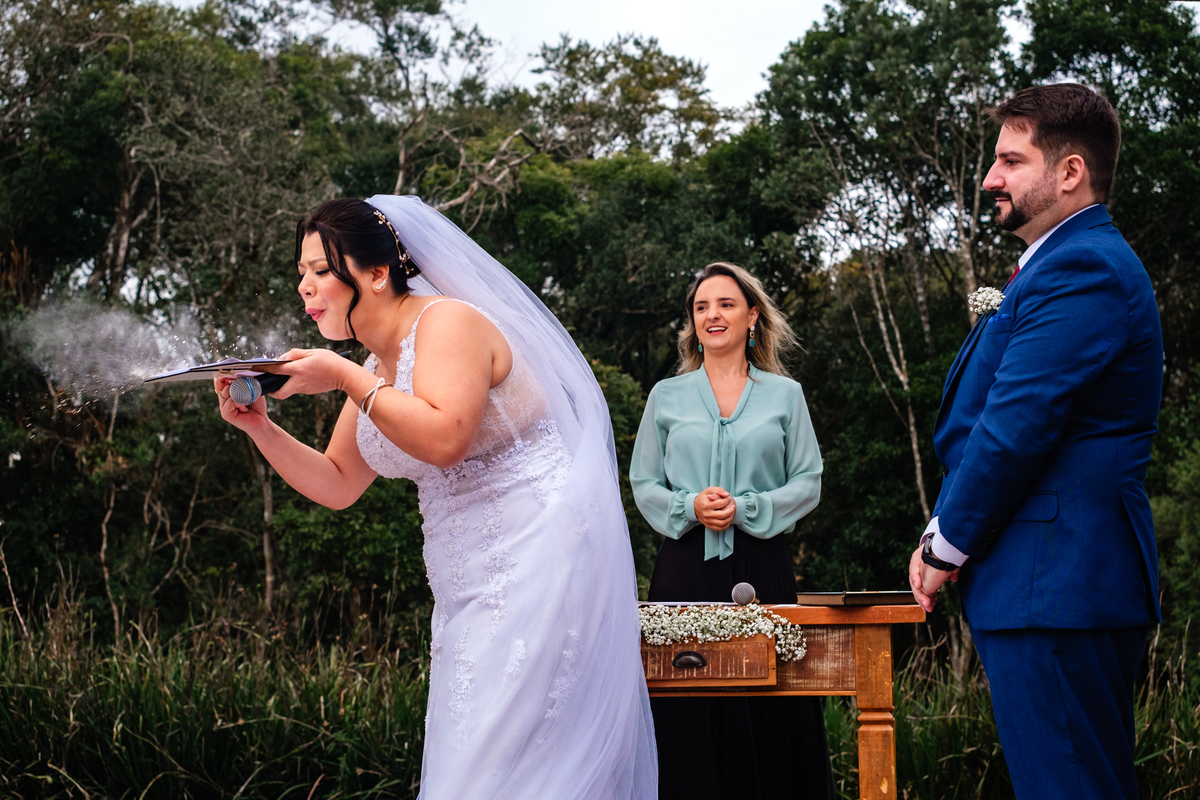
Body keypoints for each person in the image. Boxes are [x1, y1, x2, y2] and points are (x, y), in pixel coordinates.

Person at [213, 195, 657, 799]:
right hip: (464, 586)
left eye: (320, 270)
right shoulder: (376, 364)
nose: (305, 288)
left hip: (537, 560)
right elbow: (338, 484)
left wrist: (344, 376)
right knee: (470, 753)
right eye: (301, 273)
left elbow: (446, 437)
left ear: (375, 273)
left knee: (501, 767)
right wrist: (259, 426)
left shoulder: (447, 322)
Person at [908, 83, 1162, 800]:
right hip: (1048, 582)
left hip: (1057, 583)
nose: (990, 178)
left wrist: (944, 545)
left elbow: (1015, 428)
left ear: (1071, 172)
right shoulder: (1054, 267)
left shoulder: (1083, 268)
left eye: (1011, 161)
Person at [630, 262, 833, 800]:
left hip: (763, 567)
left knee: (771, 706)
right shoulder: (665, 397)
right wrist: (689, 505)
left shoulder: (785, 395)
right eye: (701, 307)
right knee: (685, 713)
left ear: (752, 317)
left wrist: (747, 508)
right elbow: (642, 480)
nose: (712, 315)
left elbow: (808, 479)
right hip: (682, 574)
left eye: (724, 304)